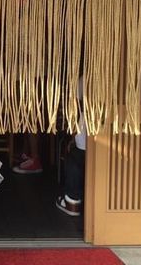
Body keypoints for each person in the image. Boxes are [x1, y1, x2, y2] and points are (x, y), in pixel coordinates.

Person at [56, 78, 86, 216]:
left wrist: (73, 136)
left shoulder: (85, 78)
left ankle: (72, 200)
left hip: (86, 140)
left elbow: (75, 107)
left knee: (74, 155)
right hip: (116, 135)